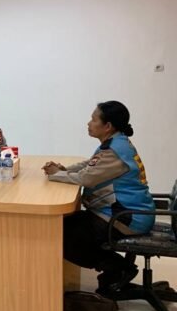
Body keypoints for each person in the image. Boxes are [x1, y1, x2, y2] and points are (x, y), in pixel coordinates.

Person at [43, 101, 155, 294]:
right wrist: (64, 170)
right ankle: (114, 269)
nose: (89, 123)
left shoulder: (114, 150)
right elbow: (91, 165)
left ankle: (118, 268)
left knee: (60, 236)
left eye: (94, 119)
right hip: (126, 212)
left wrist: (56, 175)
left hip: (126, 218)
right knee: (62, 224)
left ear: (107, 126)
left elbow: (86, 178)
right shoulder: (116, 143)